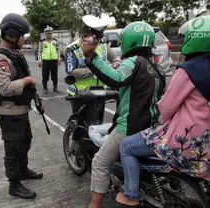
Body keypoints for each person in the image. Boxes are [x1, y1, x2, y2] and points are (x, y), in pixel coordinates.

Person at [116, 15, 210, 207]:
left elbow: (165, 108)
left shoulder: (188, 70)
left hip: (189, 142)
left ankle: (131, 195)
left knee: (126, 146)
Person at [80, 21, 166, 208]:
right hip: (150, 124)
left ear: (129, 41)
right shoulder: (154, 65)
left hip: (129, 125)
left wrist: (90, 55)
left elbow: (116, 78)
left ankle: (93, 206)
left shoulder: (133, 61)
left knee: (100, 162)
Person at [0, 13, 43, 199]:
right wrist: (26, 80)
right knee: (12, 150)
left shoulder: (14, 54)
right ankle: (14, 184)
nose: (25, 38)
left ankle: (23, 170)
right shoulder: (0, 59)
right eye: (22, 35)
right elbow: (5, 89)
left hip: (21, 110)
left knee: (25, 141)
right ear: (12, 34)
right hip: (9, 112)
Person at [65, 15, 121, 114]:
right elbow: (71, 71)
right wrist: (95, 70)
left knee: (97, 124)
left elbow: (114, 56)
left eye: (99, 37)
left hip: (99, 93)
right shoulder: (73, 48)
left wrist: (117, 62)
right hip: (80, 94)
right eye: (96, 37)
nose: (98, 41)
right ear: (87, 33)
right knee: (80, 125)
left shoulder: (102, 43)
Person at [38, 25, 60, 94]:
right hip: (45, 62)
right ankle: (45, 88)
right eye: (48, 33)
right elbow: (39, 51)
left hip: (54, 61)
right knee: (45, 76)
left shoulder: (55, 41)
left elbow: (58, 50)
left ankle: (55, 87)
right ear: (45, 34)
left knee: (55, 75)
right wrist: (39, 61)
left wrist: (59, 59)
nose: (50, 34)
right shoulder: (42, 41)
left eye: (51, 33)